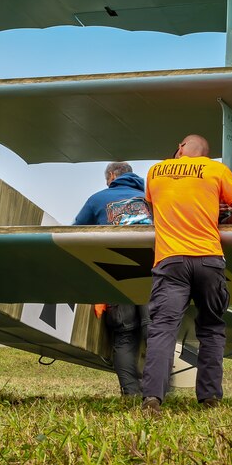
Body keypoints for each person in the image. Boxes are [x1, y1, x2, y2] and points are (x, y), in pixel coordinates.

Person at [140, 135, 232, 412]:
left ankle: (153, 398)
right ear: (206, 154)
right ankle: (210, 397)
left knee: (163, 329)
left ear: (180, 147)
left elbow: (152, 210)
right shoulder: (216, 171)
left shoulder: (156, 171)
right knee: (212, 328)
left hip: (171, 261)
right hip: (209, 260)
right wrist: (221, 219)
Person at [74, 162, 151, 395]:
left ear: (111, 176)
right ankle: (156, 394)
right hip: (154, 276)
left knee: (125, 335)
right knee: (156, 333)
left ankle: (131, 394)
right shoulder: (151, 198)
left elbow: (75, 232)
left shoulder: (97, 199)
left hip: (117, 277)